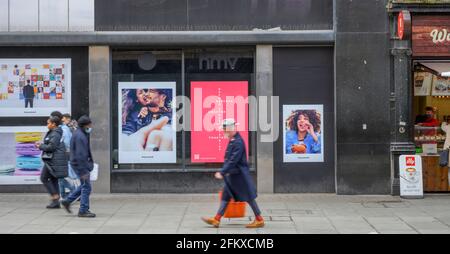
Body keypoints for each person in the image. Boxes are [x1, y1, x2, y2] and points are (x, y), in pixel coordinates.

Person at [202, 119, 264, 228]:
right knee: (226, 195)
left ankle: (259, 219)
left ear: (231, 129)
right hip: (233, 175)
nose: (223, 131)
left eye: (225, 129)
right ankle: (216, 219)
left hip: (239, 176)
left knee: (249, 197)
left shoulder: (238, 142)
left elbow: (233, 160)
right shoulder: (233, 140)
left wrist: (222, 172)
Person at [61, 115, 96, 218]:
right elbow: (81, 155)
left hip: (78, 164)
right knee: (86, 187)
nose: (91, 125)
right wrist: (84, 171)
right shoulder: (80, 136)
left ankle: (67, 201)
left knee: (84, 186)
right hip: (80, 166)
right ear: (85, 125)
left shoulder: (79, 133)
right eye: (90, 124)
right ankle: (83, 210)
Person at [36, 116, 68, 209]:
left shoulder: (56, 133)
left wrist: (40, 146)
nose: (47, 125)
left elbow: (51, 147)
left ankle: (55, 197)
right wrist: (41, 145)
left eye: (48, 123)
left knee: (44, 178)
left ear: (54, 124)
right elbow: (49, 144)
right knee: (54, 179)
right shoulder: (53, 132)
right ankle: (55, 202)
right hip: (53, 159)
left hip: (53, 160)